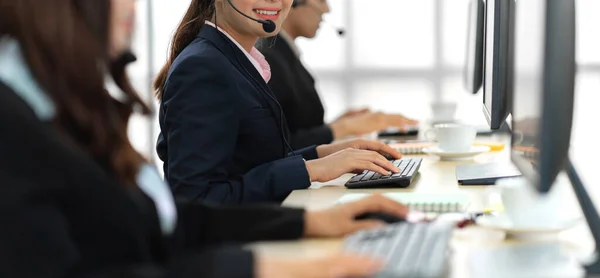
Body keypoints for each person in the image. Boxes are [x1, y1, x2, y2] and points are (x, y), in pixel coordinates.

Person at [0, 0, 411, 277]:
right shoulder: (19, 124)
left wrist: (310, 217)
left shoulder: (67, 108)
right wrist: (263, 266)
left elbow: (164, 223)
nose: (132, 7)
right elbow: (194, 195)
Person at [154, 0, 404, 205]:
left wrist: (324, 153)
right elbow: (195, 200)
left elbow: (250, 162)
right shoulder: (204, 67)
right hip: (237, 252)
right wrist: (311, 171)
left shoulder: (236, 59)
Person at [258, 0, 418, 149]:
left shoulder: (284, 53)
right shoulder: (268, 58)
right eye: (321, 0)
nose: (326, 9)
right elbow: (277, 146)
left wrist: (339, 124)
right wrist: (344, 127)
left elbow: (295, 125)